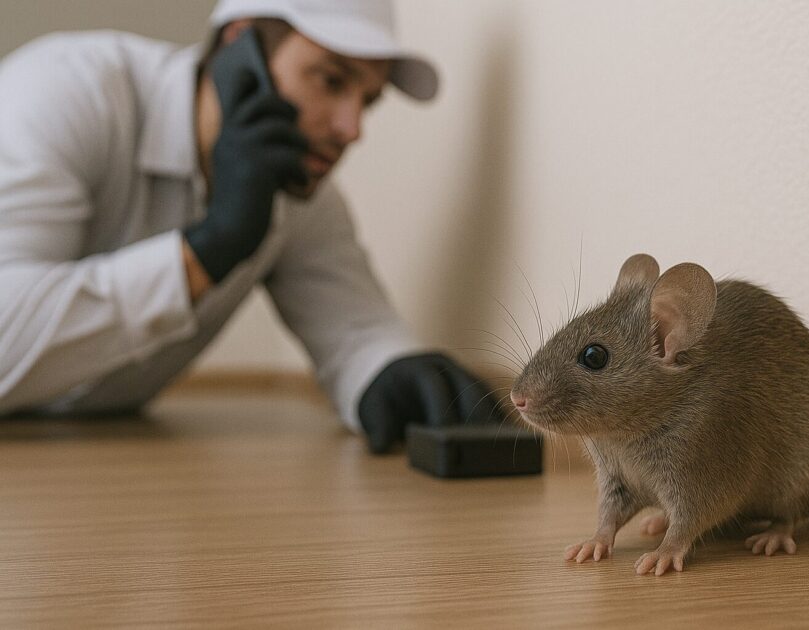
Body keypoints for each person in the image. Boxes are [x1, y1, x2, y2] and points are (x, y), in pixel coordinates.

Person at [0, 0, 499, 453]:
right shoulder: (62, 95)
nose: (352, 128)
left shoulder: (295, 193)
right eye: (331, 80)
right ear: (241, 51)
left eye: (368, 101)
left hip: (100, 456)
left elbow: (356, 334)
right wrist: (207, 250)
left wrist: (392, 371)